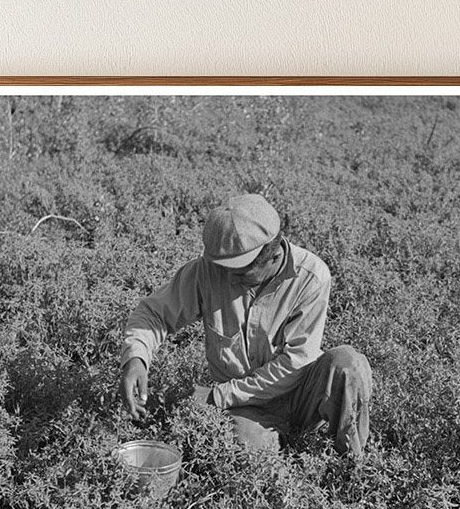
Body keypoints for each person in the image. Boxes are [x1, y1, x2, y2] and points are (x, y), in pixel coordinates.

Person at [120, 193, 372, 455]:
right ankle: (274, 465)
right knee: (245, 446)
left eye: (239, 271)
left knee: (349, 364)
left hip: (301, 393)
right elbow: (154, 312)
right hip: (246, 407)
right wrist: (136, 358)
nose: (227, 277)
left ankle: (351, 466)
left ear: (273, 255)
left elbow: (296, 363)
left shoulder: (311, 277)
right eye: (223, 266)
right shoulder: (209, 270)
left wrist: (216, 396)